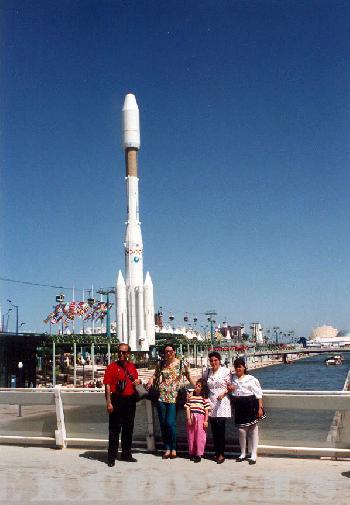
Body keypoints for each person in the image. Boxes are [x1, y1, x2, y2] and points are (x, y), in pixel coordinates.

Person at [185, 351, 231, 464]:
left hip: (222, 402)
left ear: (219, 361)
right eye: (211, 360)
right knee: (214, 430)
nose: (213, 362)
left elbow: (230, 386)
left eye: (215, 360)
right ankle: (216, 452)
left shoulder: (226, 371)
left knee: (221, 429)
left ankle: (221, 454)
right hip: (210, 403)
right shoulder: (207, 372)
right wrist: (192, 391)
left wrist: (224, 393)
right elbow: (199, 385)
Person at [103, 343, 141, 467]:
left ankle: (126, 454)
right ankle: (111, 457)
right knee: (114, 430)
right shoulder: (111, 367)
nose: (121, 354)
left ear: (128, 354)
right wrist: (109, 402)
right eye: (119, 352)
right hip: (116, 399)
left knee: (128, 429)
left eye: (124, 352)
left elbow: (136, 381)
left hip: (130, 400)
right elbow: (107, 386)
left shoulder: (131, 367)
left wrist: (138, 381)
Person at [228, 357, 265, 465]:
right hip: (239, 405)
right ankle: (243, 453)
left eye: (239, 366)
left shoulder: (251, 379)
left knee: (253, 429)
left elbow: (259, 394)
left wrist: (260, 408)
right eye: (236, 367)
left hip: (250, 404)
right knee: (241, 431)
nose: (237, 369)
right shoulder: (233, 378)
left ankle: (253, 454)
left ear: (244, 367)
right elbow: (231, 390)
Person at [147, 343, 182, 459]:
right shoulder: (161, 364)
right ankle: (167, 448)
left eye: (170, 351)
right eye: (166, 351)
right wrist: (151, 380)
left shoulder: (181, 364)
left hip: (173, 397)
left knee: (170, 423)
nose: (168, 353)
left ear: (174, 351)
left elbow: (189, 377)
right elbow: (154, 375)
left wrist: (200, 391)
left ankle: (174, 447)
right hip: (161, 396)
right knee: (162, 423)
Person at [185, 378, 211, 462]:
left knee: (200, 436)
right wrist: (188, 418)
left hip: (200, 418)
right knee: (191, 436)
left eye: (199, 386)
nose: (196, 387)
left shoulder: (204, 399)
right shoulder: (191, 397)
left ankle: (199, 454)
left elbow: (206, 410)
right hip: (192, 418)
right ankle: (192, 452)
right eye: (196, 385)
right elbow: (188, 408)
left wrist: (206, 420)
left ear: (203, 388)